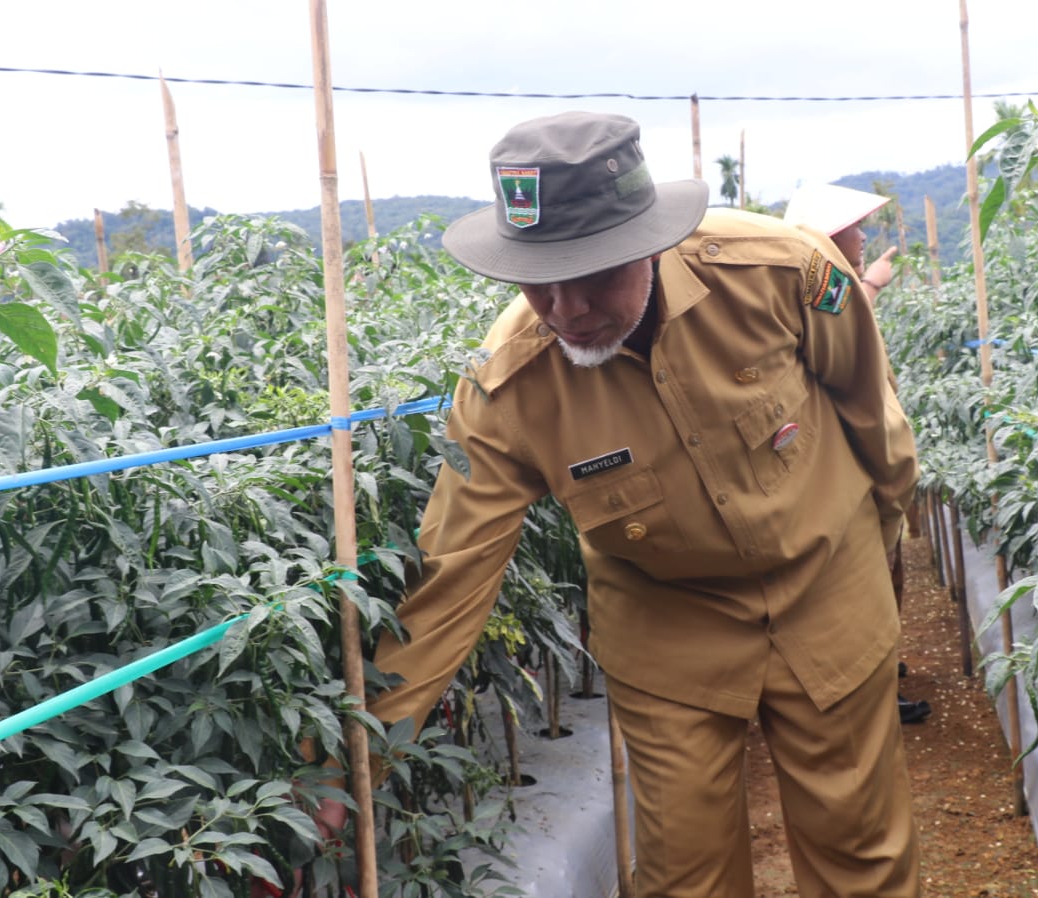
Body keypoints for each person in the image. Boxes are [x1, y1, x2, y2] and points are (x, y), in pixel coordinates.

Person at [365, 111, 921, 898]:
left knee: (862, 857)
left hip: (829, 589)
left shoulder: (781, 271)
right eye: (538, 281)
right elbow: (449, 574)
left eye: (593, 274)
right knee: (683, 875)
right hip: (668, 632)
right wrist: (362, 758)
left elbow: (873, 411)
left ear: (650, 241)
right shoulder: (505, 390)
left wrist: (878, 555)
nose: (565, 309)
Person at [784, 182, 930, 726]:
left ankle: (878, 689)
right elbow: (829, 360)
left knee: (879, 593)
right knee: (857, 604)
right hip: (849, 488)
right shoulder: (815, 292)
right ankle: (866, 702)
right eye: (853, 227)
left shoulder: (831, 292)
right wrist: (869, 284)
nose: (863, 235)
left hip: (862, 484)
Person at [784, 181, 901, 299]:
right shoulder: (809, 283)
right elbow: (844, 315)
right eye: (856, 226)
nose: (863, 237)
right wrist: (872, 283)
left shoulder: (806, 275)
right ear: (834, 235)